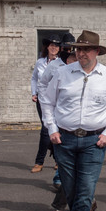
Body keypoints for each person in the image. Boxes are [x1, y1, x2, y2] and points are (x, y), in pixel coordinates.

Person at [40, 30, 106, 211]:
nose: (82, 53)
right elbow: (47, 102)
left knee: (85, 193)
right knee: (73, 192)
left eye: (87, 49)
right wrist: (52, 129)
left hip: (93, 142)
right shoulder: (62, 74)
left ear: (97, 51)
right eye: (79, 49)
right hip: (64, 141)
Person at [37, 32, 75, 191]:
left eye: (71, 47)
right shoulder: (54, 65)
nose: (68, 50)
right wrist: (47, 102)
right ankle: (59, 178)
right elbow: (42, 84)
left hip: (73, 110)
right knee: (62, 146)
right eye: (65, 47)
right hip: (58, 110)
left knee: (71, 148)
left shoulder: (78, 64)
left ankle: (68, 179)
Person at [30, 34, 62, 174]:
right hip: (42, 100)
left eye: (56, 46)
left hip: (56, 100)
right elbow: (34, 78)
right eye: (51, 45)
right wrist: (34, 92)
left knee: (54, 130)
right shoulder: (40, 62)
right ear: (47, 47)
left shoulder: (62, 63)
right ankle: (39, 162)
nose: (53, 48)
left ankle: (56, 160)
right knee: (45, 130)